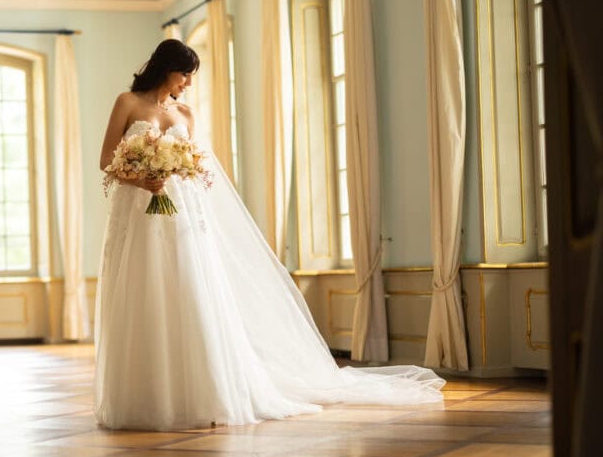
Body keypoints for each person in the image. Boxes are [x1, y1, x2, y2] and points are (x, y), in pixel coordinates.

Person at [93, 39, 444, 431]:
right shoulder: (127, 102)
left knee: (188, 290)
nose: (188, 83)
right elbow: (107, 160)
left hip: (182, 214)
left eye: (191, 76)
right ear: (166, 68)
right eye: (184, 74)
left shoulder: (186, 114)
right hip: (138, 214)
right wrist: (143, 180)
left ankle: (200, 393)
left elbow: (194, 165)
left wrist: (172, 173)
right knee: (141, 290)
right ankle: (145, 397)